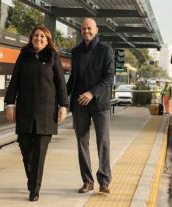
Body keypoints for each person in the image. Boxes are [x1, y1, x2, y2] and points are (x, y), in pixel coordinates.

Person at [4, 26, 69, 202]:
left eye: (42, 36)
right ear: (31, 38)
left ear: (47, 40)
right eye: (36, 35)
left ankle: (35, 189)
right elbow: (15, 80)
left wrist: (63, 105)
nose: (38, 38)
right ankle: (32, 179)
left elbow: (61, 84)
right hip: (25, 111)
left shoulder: (53, 57)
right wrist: (10, 103)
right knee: (25, 149)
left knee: (39, 153)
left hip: (46, 113)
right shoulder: (23, 55)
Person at [66, 18, 114, 194]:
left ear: (96, 30)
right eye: (83, 28)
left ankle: (104, 181)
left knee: (103, 141)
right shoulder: (76, 51)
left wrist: (92, 92)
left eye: (89, 28)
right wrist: (62, 97)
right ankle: (87, 181)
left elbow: (109, 77)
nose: (86, 31)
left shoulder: (106, 50)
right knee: (81, 142)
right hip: (80, 104)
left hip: (100, 104)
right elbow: (73, 78)